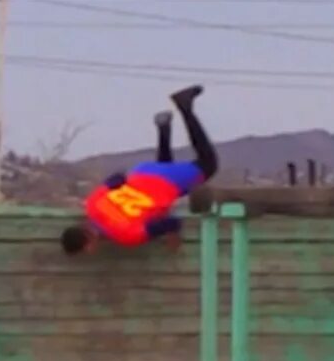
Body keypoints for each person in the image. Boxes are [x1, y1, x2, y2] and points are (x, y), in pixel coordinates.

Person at [61, 85, 218, 256]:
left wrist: (173, 235)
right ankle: (163, 129)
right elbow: (118, 178)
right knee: (168, 184)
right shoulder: (93, 204)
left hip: (165, 183)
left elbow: (171, 223)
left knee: (208, 164)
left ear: (88, 245)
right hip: (143, 172)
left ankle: (185, 107)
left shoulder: (127, 235)